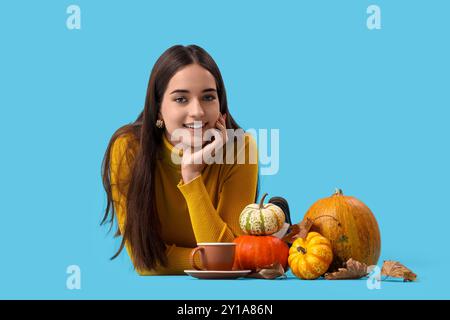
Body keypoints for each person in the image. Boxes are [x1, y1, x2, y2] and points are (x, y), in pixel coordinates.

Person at [101, 45, 259, 275]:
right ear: (157, 111)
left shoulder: (240, 148)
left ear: (220, 105)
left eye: (208, 97)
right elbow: (144, 260)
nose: (197, 112)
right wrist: (202, 260)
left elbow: (230, 256)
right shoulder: (128, 149)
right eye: (181, 99)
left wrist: (191, 175)